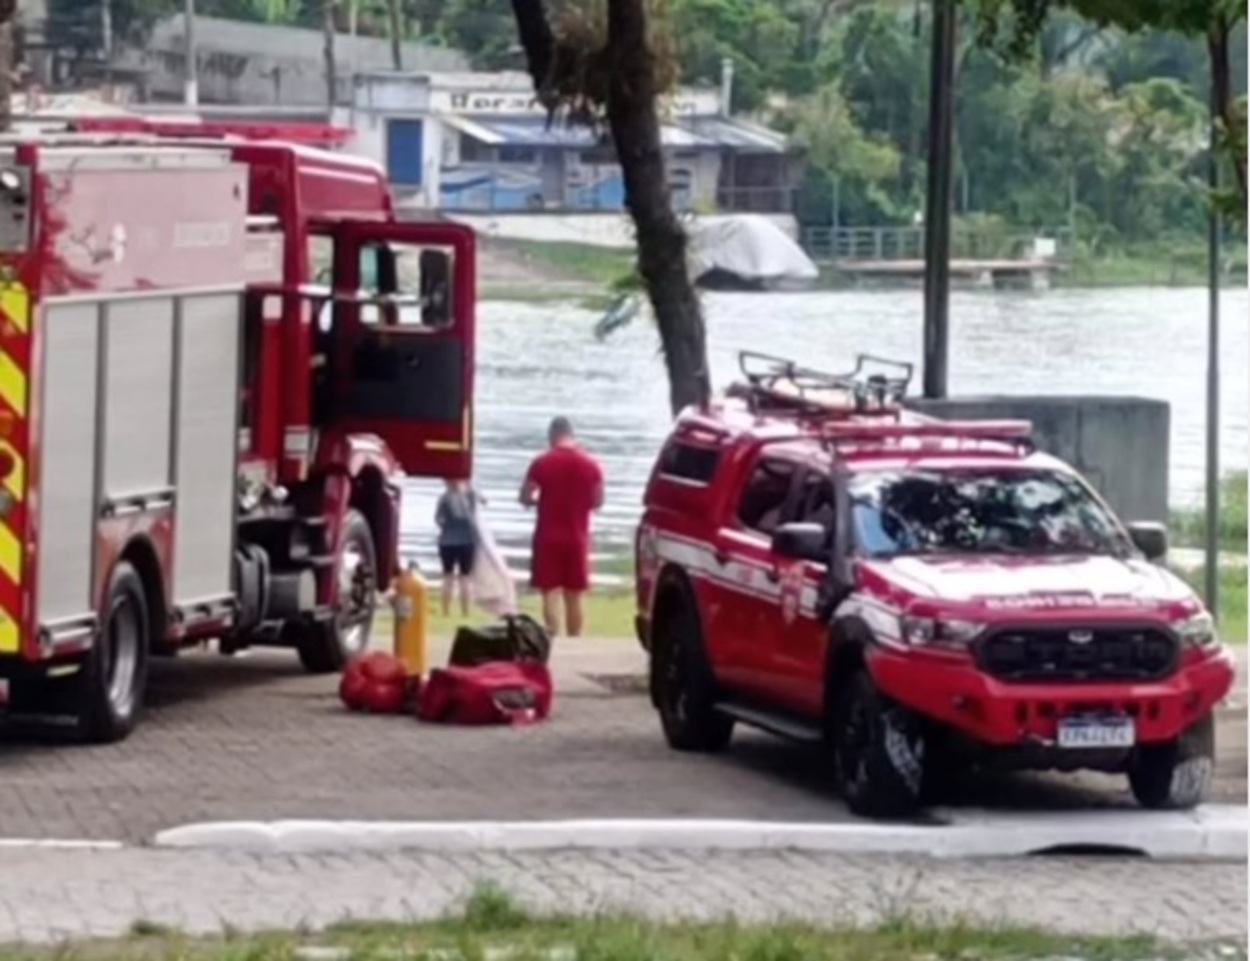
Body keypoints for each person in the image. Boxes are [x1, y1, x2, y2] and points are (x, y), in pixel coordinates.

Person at [519, 416, 604, 637]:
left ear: (551, 436)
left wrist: (539, 502)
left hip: (547, 536)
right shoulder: (591, 465)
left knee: (550, 594)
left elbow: (525, 495)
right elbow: (598, 501)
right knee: (575, 596)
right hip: (577, 536)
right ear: (571, 435)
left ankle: (553, 639)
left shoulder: (541, 462)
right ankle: (575, 641)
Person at [434, 478, 482, 618]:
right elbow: (476, 511)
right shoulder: (470, 495)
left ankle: (445, 611)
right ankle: (465, 612)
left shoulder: (444, 498)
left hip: (446, 541)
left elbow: (438, 520)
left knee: (447, 577)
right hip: (467, 541)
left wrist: (447, 525)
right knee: (465, 578)